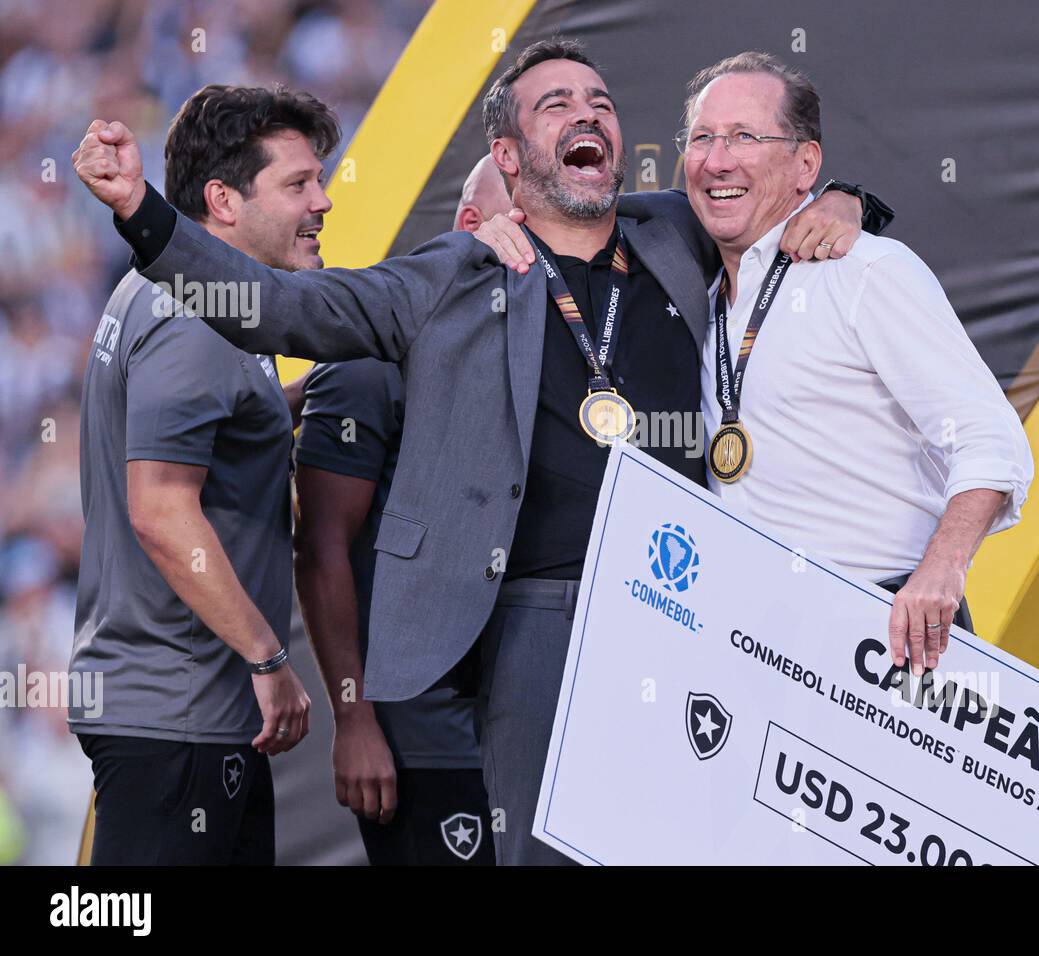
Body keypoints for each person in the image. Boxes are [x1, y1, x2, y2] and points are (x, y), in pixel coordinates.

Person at [71, 38, 872, 864]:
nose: (586, 113)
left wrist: (845, 200)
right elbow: (282, 308)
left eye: (599, 101)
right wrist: (142, 212)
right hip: (538, 619)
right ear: (509, 156)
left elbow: (770, 192)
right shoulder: (454, 274)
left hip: (691, 604)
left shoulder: (675, 229)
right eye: (555, 105)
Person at [680, 53, 1033, 676]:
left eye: (744, 136)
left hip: (895, 633)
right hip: (759, 645)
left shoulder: (867, 271)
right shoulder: (693, 293)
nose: (717, 160)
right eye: (702, 138)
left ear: (806, 164)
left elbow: (991, 439)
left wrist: (942, 570)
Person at [67, 85, 334, 864]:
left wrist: (309, 395)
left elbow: (221, 422)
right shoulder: (198, 317)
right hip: (180, 718)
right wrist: (268, 657)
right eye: (298, 185)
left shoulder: (195, 295)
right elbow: (160, 510)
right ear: (222, 200)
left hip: (170, 712)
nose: (323, 201)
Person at [291, 158, 510, 866]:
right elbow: (320, 545)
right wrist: (353, 718)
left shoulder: (541, 347)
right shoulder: (371, 349)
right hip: (420, 739)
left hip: (515, 727)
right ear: (474, 226)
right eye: (533, 222)